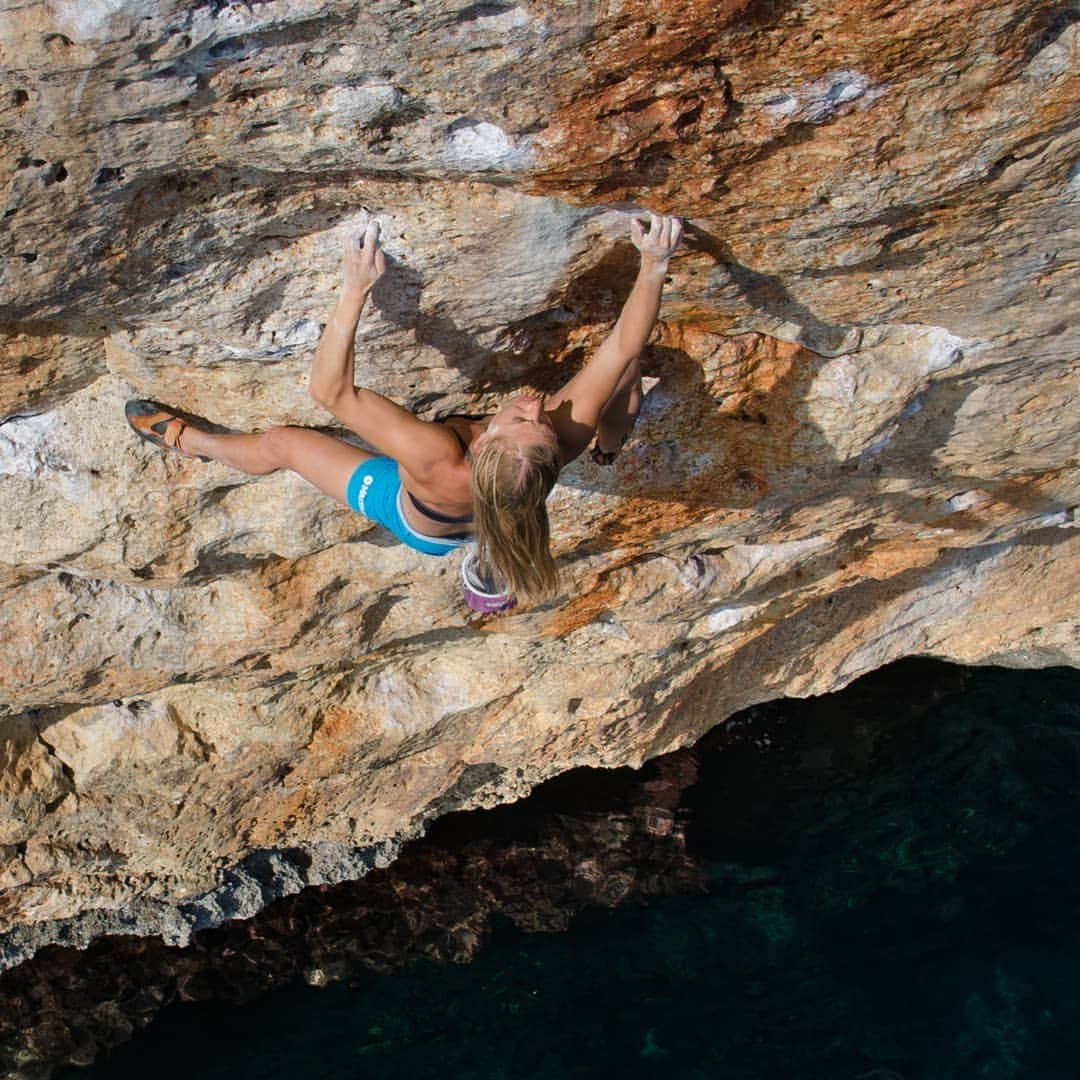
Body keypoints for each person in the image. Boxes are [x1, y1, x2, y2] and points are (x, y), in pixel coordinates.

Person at [126, 212, 683, 604]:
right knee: (623, 375)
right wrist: (655, 262)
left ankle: (187, 441)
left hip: (422, 523)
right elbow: (622, 347)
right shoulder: (553, 445)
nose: (536, 406)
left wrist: (355, 290)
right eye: (539, 422)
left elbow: (330, 391)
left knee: (283, 444)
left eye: (522, 418)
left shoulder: (434, 456)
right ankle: (609, 451)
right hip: (496, 510)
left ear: (485, 443)